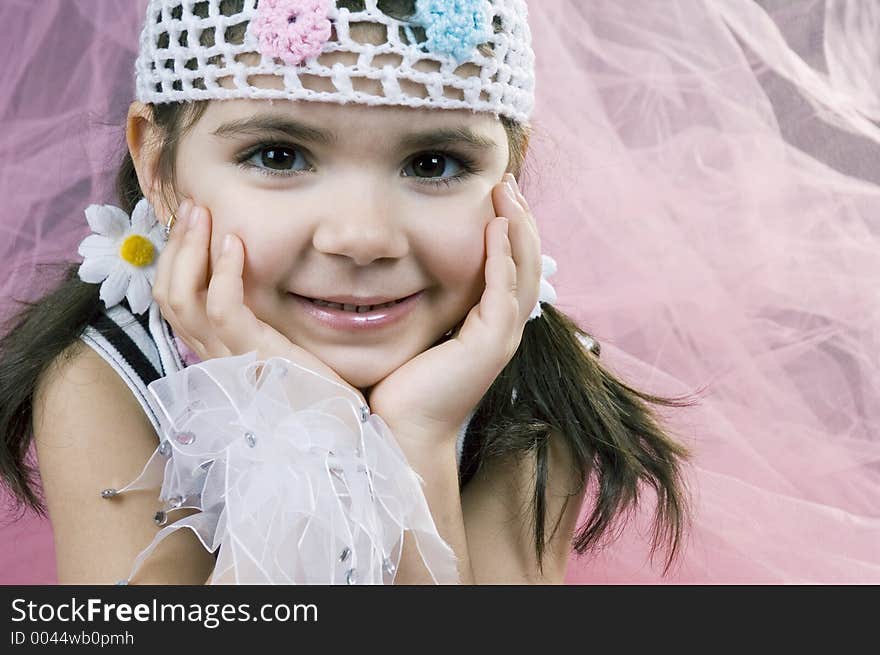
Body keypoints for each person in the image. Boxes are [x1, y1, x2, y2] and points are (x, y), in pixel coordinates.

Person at [3, 0, 879, 585]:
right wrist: (299, 411)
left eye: (434, 164)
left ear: (510, 175)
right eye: (279, 155)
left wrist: (416, 440)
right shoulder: (106, 380)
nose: (363, 236)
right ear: (159, 165)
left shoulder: (525, 379)